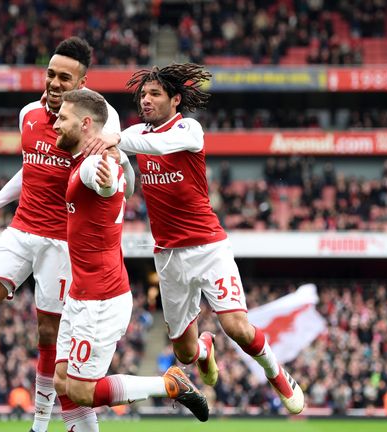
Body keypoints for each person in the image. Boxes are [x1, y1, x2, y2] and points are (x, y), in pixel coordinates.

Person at [0, 37, 134, 432]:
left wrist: (113, 180)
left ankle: (39, 424)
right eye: (50, 74)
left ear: (82, 82)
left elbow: (113, 167)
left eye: (64, 77)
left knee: (47, 334)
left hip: (63, 240)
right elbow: (32, 169)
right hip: (23, 227)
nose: (55, 83)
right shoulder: (28, 114)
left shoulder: (100, 119)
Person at [83, 63, 305, 415]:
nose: (146, 99)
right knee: (185, 354)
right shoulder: (137, 133)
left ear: (175, 99)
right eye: (143, 94)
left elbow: (158, 144)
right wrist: (116, 166)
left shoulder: (188, 129)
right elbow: (128, 170)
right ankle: (205, 348)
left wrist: (118, 139)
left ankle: (277, 374)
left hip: (208, 247)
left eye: (154, 94)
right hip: (168, 257)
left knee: (237, 327)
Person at [51, 89, 209, 432]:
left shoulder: (95, 163)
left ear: (86, 124)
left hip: (101, 299)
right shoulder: (88, 159)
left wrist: (108, 184)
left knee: (79, 389)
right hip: (81, 295)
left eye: (63, 118)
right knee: (62, 382)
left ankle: (169, 384)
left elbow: (107, 184)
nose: (55, 124)